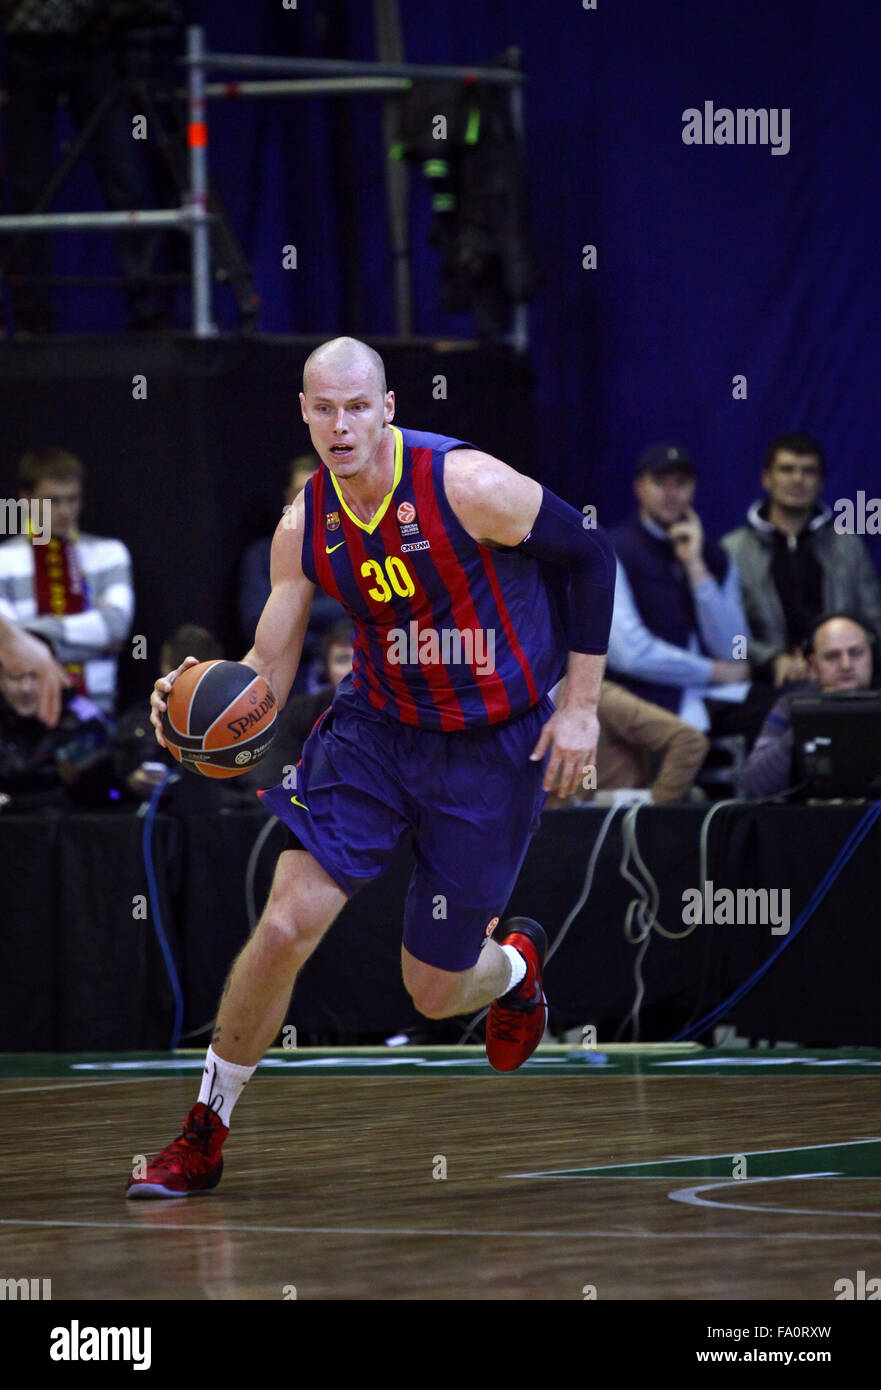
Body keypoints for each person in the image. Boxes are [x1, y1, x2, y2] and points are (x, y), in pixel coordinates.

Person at [126, 335, 616, 1198]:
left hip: (489, 744)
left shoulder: (466, 485)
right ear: (305, 414)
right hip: (376, 732)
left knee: (431, 991)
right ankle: (202, 1131)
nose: (341, 424)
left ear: (388, 407)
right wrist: (197, 704)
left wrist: (579, 707)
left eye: (358, 406)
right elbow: (268, 673)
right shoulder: (301, 523)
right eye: (324, 408)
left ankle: (514, 970)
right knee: (284, 924)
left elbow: (591, 554)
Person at [606, 443, 752, 733]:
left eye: (681, 483)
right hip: (640, 696)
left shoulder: (715, 555)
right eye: (660, 482)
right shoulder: (615, 550)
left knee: (787, 707)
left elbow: (736, 649)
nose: (671, 492)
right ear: (639, 487)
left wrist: (697, 569)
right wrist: (713, 672)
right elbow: (628, 654)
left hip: (713, 697)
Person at [722, 433, 881, 687]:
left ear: (821, 482)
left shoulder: (847, 545)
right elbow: (726, 633)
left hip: (844, 679)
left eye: (808, 471)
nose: (798, 479)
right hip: (767, 682)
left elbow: (874, 621)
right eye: (787, 470)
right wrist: (773, 660)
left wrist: (839, 660)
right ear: (766, 478)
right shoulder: (734, 550)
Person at [0, 446, 134, 717]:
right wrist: (85, 632)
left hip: (98, 716)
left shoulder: (109, 553)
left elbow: (115, 626)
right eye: (52, 501)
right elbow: (5, 643)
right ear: (26, 498)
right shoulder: (4, 560)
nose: (64, 511)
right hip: (21, 716)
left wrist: (29, 636)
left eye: (72, 500)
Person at [238, 454, 347, 695]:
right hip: (287, 682)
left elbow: (355, 612)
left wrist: (292, 620)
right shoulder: (260, 555)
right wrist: (323, 636)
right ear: (288, 496)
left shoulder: (350, 547)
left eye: (315, 494)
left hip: (350, 674)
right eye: (300, 493)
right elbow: (256, 623)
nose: (307, 502)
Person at [738, 613, 876, 798]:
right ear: (813, 665)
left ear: (873, 655)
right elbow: (753, 784)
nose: (845, 665)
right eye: (832, 656)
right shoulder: (793, 706)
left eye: (856, 653)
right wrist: (808, 724)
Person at [546, 678, 709, 805]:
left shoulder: (598, 698)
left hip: (608, 828)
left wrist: (656, 804)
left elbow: (687, 739)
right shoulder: (524, 709)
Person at [0, 640, 109, 809]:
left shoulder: (83, 719)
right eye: (16, 677)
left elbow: (103, 793)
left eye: (35, 676)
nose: (26, 688)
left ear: (55, 674)